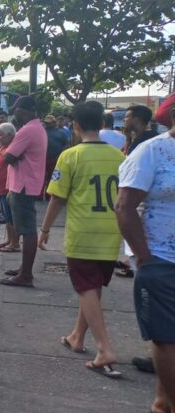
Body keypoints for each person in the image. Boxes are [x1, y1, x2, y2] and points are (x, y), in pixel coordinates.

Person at [39, 101, 124, 377]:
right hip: (111, 232)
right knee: (93, 286)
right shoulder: (119, 157)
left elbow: (57, 198)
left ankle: (105, 347)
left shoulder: (70, 156)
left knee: (86, 287)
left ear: (75, 126)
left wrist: (46, 229)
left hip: (83, 232)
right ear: (102, 124)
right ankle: (77, 336)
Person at [115, 92, 175, 413]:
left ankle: (163, 400)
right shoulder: (153, 151)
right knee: (166, 337)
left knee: (168, 336)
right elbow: (124, 207)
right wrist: (145, 257)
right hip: (162, 258)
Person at [1, 95, 48, 287]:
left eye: (17, 111)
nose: (15, 114)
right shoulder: (37, 128)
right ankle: (23, 270)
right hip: (25, 184)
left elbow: (7, 157)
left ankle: (26, 275)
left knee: (27, 231)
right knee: (24, 229)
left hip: (23, 185)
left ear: (23, 111)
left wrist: (10, 153)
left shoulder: (27, 130)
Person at [0, 122, 20, 253]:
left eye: (0, 135)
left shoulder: (13, 147)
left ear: (9, 135)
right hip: (0, 187)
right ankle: (10, 240)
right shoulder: (4, 145)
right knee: (6, 216)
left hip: (6, 187)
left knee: (11, 216)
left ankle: (14, 243)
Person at [43, 115, 69, 199]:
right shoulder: (42, 131)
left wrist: (61, 155)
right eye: (46, 123)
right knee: (42, 177)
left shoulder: (61, 133)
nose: (47, 124)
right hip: (43, 158)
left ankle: (49, 195)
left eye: (49, 123)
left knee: (53, 178)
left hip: (55, 158)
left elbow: (66, 144)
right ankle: (39, 195)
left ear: (54, 123)